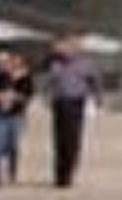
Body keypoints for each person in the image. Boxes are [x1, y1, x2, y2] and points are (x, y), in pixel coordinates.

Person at [43, 35, 100, 188]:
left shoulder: (86, 63)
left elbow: (94, 82)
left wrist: (96, 98)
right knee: (59, 140)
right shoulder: (55, 63)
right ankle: (59, 175)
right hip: (59, 103)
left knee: (72, 139)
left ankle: (68, 170)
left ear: (77, 49)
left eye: (70, 47)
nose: (66, 50)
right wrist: (47, 96)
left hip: (76, 103)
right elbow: (49, 82)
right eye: (64, 47)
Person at [0, 52, 31, 186]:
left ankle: (12, 173)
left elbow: (27, 95)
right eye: (7, 62)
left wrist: (14, 96)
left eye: (14, 62)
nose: (9, 65)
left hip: (16, 115)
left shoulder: (24, 78)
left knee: (13, 146)